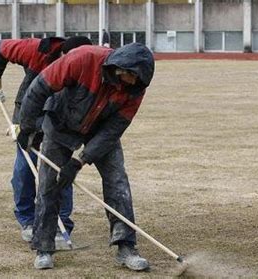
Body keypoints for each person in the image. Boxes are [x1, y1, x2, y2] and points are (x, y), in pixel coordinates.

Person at [17, 43, 155, 271]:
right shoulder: (82, 59)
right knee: (49, 182)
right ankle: (43, 247)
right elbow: (39, 88)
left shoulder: (135, 89)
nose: (134, 86)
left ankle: (126, 246)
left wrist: (80, 160)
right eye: (133, 79)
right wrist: (28, 127)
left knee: (117, 181)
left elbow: (114, 129)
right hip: (60, 123)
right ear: (122, 68)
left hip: (100, 130)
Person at [0, 36, 92, 243]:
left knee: (59, 168)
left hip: (61, 114)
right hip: (29, 108)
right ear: (62, 53)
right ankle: (27, 220)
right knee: (25, 166)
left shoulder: (88, 66)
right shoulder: (36, 50)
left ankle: (61, 223)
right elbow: (0, 48)